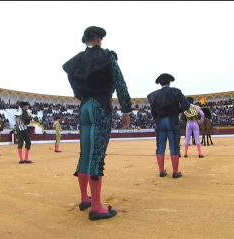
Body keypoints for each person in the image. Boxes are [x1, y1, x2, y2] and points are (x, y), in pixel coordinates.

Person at [63, 26, 132, 221]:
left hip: (84, 107)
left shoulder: (76, 61)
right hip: (100, 105)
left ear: (84, 40)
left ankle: (85, 198)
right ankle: (96, 207)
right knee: (96, 155)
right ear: (99, 39)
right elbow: (120, 83)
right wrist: (126, 110)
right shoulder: (107, 57)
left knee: (85, 153)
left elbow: (74, 85)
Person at [147, 74, 190, 179]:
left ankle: (161, 171)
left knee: (160, 146)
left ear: (160, 83)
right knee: (174, 146)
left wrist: (158, 116)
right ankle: (175, 172)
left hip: (160, 121)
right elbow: (186, 105)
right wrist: (176, 111)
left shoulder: (154, 95)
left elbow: (153, 111)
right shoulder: (176, 92)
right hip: (172, 121)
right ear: (169, 82)